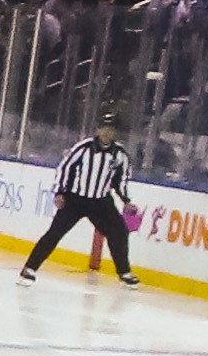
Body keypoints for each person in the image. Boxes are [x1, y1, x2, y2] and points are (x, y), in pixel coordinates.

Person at [18, 109, 143, 284]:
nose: (107, 132)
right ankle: (29, 268)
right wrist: (61, 192)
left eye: (111, 129)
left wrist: (126, 200)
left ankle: (124, 272)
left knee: (119, 232)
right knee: (55, 233)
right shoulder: (83, 148)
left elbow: (120, 180)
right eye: (104, 128)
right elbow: (65, 168)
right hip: (75, 199)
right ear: (98, 130)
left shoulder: (120, 154)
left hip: (101, 202)